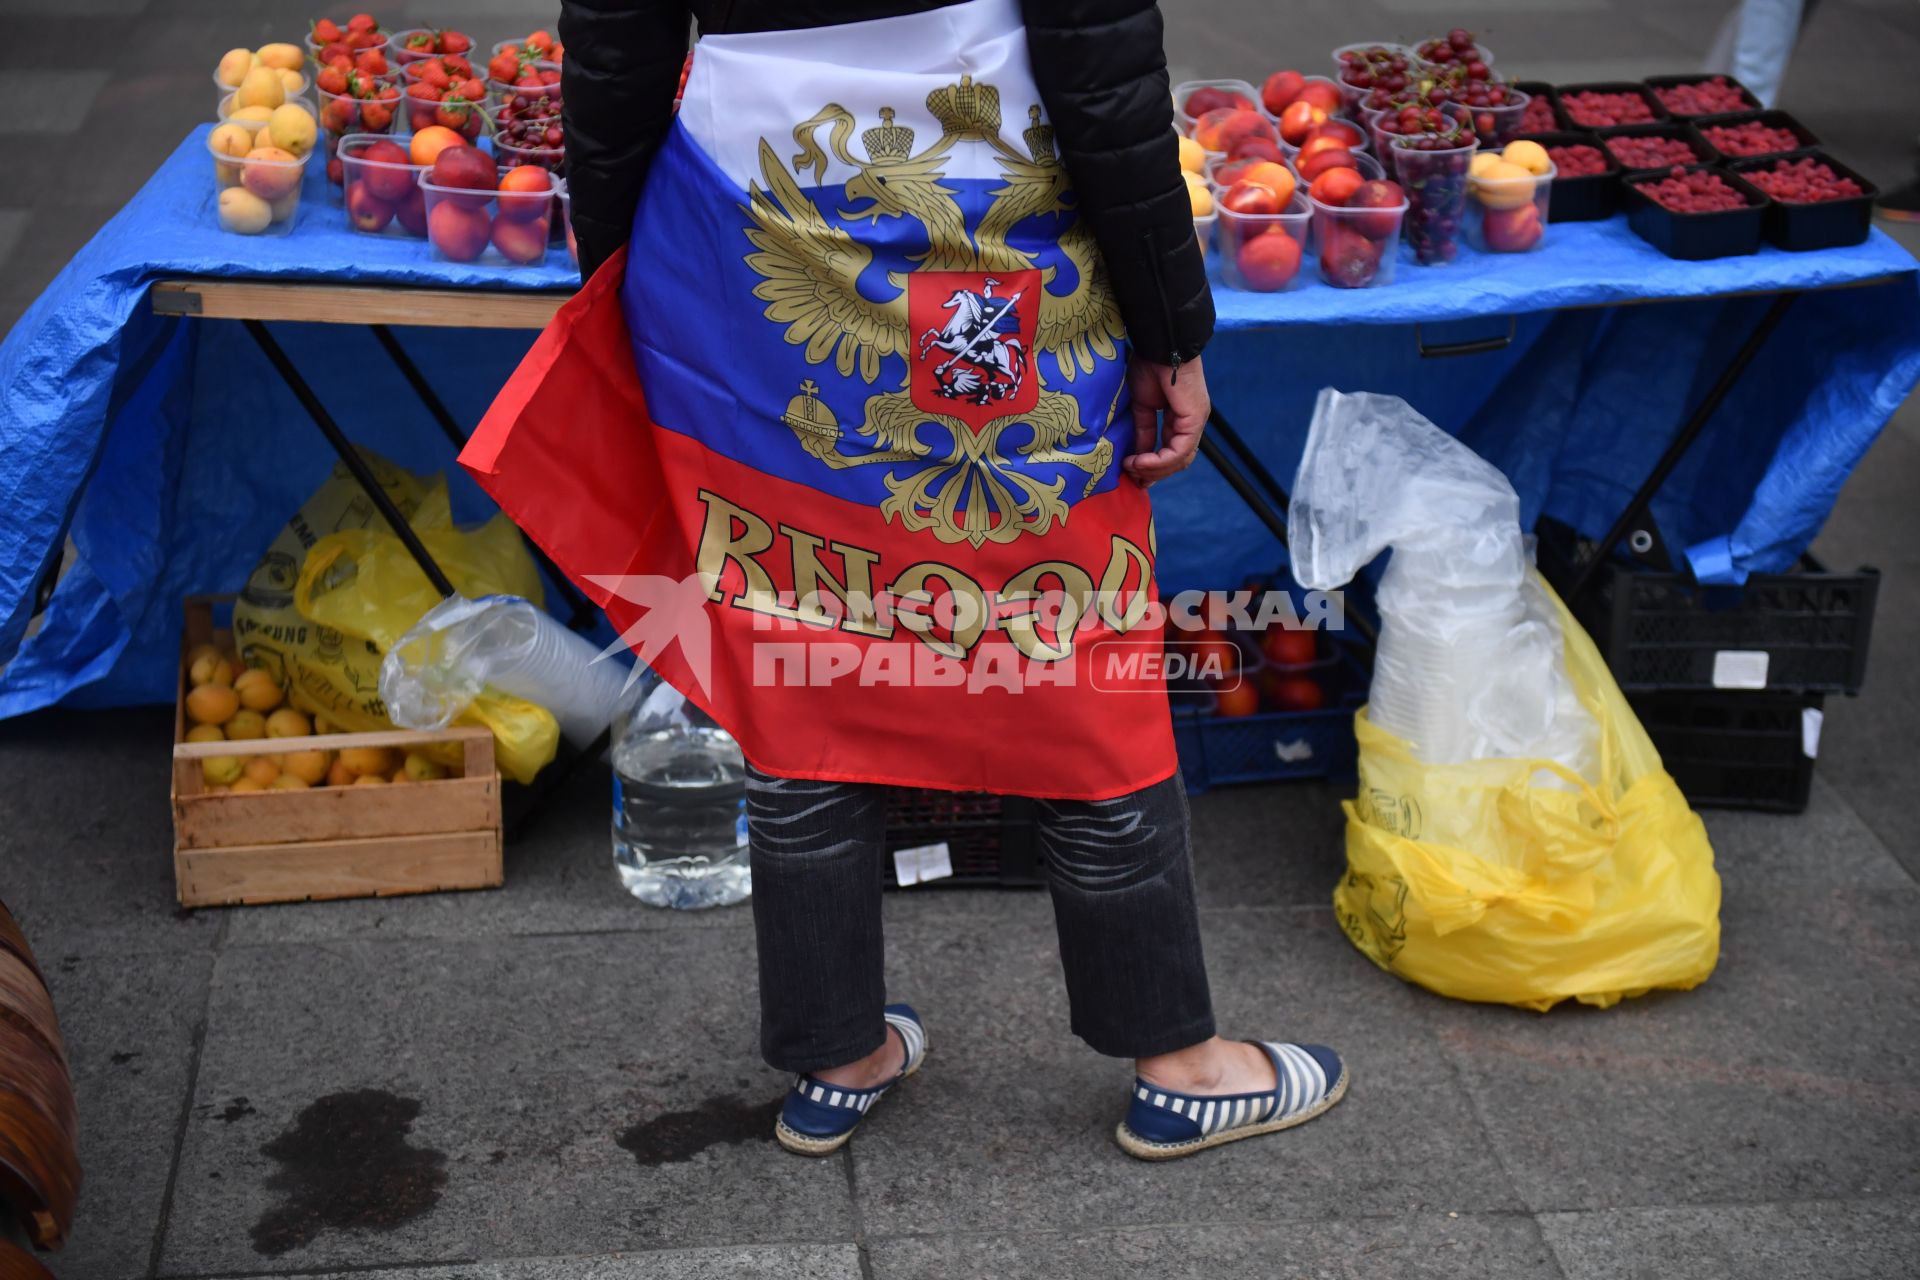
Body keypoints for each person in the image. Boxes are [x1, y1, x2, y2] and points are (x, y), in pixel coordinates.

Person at [465, 0, 1347, 1161]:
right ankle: (1175, 1060)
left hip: (748, 216)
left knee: (793, 625)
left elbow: (617, 31)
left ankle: (836, 1054)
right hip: (1002, 218)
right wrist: (1172, 328)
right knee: (1069, 636)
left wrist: (625, 273)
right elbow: (1102, 58)